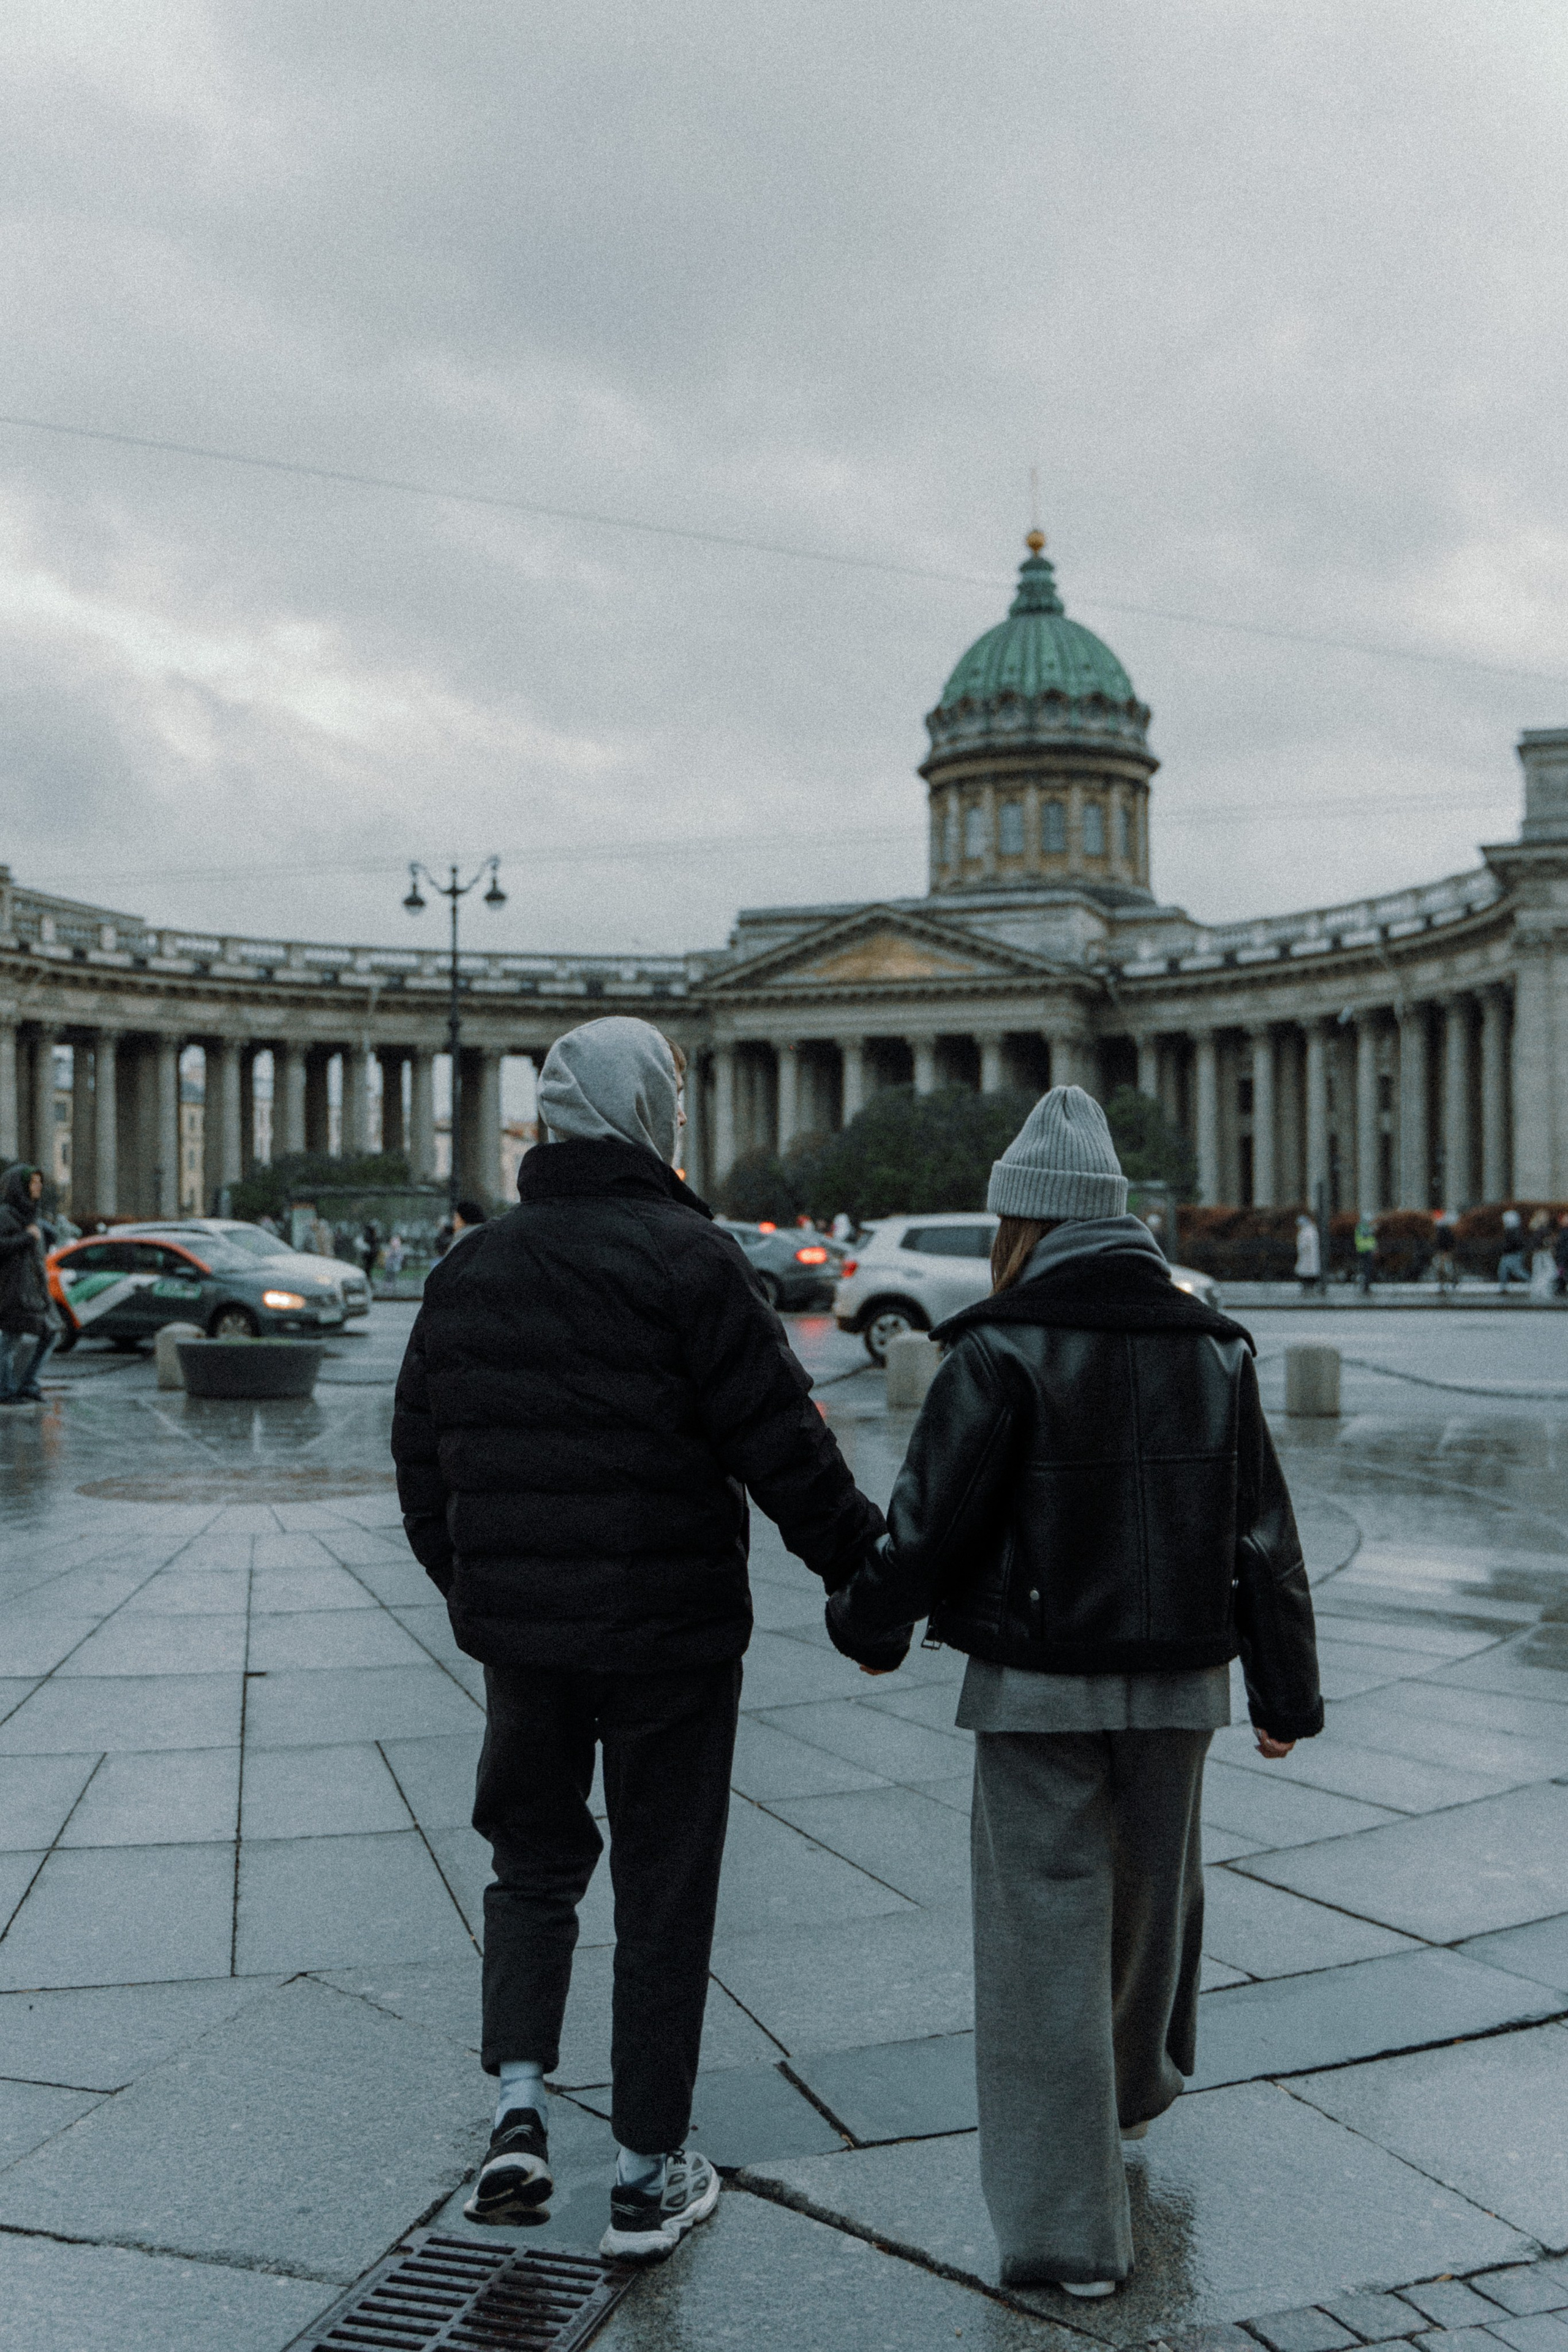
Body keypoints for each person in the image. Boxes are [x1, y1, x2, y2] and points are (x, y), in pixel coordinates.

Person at [391, 1017, 883, 2265]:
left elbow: (419, 1460)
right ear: (654, 1118)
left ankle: (515, 2114)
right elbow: (782, 1444)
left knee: (530, 1863)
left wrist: (482, 1590)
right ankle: (646, 2172)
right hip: (669, 1637)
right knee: (664, 1890)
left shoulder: (471, 1268)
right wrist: (868, 1585)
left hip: (526, 1642)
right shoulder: (688, 1256)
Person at [825, 1087, 1321, 2299]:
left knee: (1041, 1947)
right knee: (1148, 1912)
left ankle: (1064, 2234)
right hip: (1176, 1685)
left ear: (1021, 1223)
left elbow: (925, 1527)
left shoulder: (995, 1346)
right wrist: (1283, 1694)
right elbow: (1262, 1533)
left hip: (1034, 1688)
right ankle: (1133, 2093)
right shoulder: (1213, 1346)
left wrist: (867, 1623)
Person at [0, 1166, 59, 1405]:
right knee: (9, 1343)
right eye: (34, 1182)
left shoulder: (30, 1214)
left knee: (50, 1333)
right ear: (21, 1187)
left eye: (39, 1182)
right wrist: (28, 1237)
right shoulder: (5, 1213)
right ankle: (6, 1390)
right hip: (14, 1291)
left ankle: (27, 1384)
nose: (39, 1187)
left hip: (34, 1291)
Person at [1497, 1207, 1529, 1290]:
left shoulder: (1512, 1231)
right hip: (1513, 1253)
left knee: (1516, 1271)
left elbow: (1513, 1243)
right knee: (1507, 1270)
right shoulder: (1514, 1230)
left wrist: (1505, 1248)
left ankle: (1531, 1280)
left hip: (1512, 1254)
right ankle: (1503, 1286)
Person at [1294, 1211, 1321, 1294]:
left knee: (1307, 1272)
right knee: (1308, 1271)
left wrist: (1302, 1248)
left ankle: (1308, 1286)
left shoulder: (1307, 1232)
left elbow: (1304, 1244)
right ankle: (1309, 1286)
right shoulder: (1311, 1230)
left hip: (1307, 1255)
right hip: (1307, 1256)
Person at [1432, 1211, 1459, 1295]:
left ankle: (1445, 1284)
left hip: (1443, 1252)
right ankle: (1448, 1282)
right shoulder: (1446, 1230)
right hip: (1445, 1252)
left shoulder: (1439, 1230)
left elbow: (1439, 1242)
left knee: (1443, 1269)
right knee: (1445, 1269)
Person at [1353, 1210, 1378, 1294]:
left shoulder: (1364, 1226)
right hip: (1364, 1250)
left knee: (1367, 1269)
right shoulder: (1362, 1227)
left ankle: (1366, 1286)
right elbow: (1365, 1235)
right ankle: (1365, 1287)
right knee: (1367, 1269)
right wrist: (1373, 1230)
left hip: (1367, 1250)